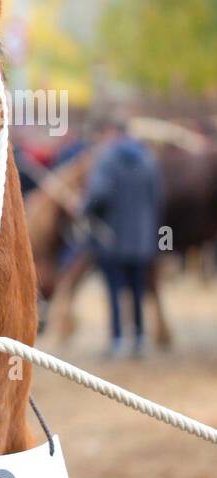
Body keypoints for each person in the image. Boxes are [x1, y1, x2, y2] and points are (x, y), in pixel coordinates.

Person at [82, 119, 162, 357]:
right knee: (138, 291)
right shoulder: (149, 159)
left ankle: (117, 339)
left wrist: (84, 209)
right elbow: (157, 198)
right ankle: (139, 338)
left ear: (112, 132)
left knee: (114, 292)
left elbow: (99, 194)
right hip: (142, 241)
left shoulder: (107, 160)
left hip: (112, 240)